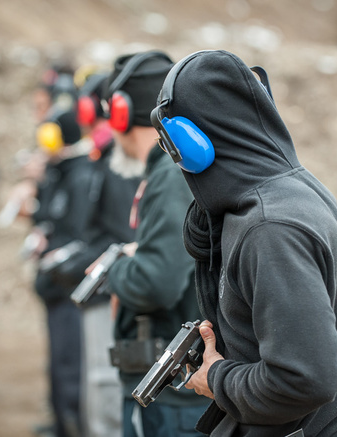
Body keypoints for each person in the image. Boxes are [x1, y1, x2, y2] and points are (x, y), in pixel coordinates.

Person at [153, 50, 337, 436]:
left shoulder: (270, 227)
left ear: (193, 143)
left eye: (173, 144)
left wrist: (217, 378)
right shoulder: (288, 191)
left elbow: (306, 379)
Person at [100, 50, 210, 437]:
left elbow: (156, 282)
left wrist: (117, 268)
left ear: (121, 115)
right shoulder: (172, 169)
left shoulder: (168, 175)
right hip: (177, 387)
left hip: (173, 397)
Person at [71, 70, 142, 437]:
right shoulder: (107, 158)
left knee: (106, 382)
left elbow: (122, 231)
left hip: (112, 288)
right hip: (107, 281)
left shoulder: (119, 162)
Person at [25, 68, 88, 437]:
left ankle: (70, 427)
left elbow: (79, 235)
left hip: (67, 290)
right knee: (57, 364)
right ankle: (60, 424)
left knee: (69, 366)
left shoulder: (78, 176)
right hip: (53, 287)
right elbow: (49, 218)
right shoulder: (60, 173)